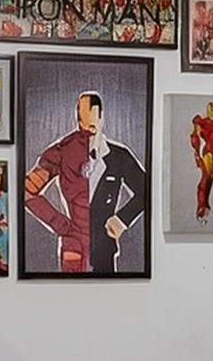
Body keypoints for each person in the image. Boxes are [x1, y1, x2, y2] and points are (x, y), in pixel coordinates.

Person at [23, 90, 149, 273]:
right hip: (73, 250)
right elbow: (26, 191)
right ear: (77, 120)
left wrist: (122, 220)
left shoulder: (119, 156)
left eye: (92, 126)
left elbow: (146, 190)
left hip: (105, 249)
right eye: (84, 125)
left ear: (102, 119)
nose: (88, 134)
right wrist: (60, 224)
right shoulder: (60, 152)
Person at [187, 100, 213, 220]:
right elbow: (196, 139)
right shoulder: (203, 125)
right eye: (212, 110)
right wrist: (198, 154)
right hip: (208, 154)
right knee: (206, 180)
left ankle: (204, 206)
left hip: (212, 155)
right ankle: (202, 207)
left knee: (208, 181)